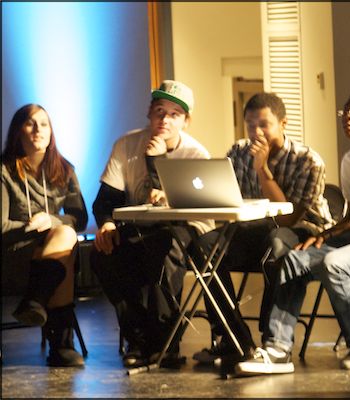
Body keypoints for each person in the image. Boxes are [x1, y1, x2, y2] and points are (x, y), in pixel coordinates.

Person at [236, 89, 350, 375]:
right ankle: (278, 349)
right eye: (345, 111)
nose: (348, 116)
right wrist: (328, 234)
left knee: (334, 264)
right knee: (295, 259)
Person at [192, 92, 333, 364]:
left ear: (283, 123)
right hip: (253, 227)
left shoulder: (307, 160)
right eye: (250, 124)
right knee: (203, 246)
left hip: (302, 231)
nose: (256, 132)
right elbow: (225, 197)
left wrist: (262, 170)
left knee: (276, 243)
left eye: (264, 124)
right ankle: (233, 337)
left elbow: (287, 219)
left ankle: (273, 340)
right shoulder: (237, 151)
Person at [90, 80, 214, 368]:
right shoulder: (126, 144)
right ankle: (138, 337)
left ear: (186, 121)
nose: (164, 120)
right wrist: (107, 225)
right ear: (149, 113)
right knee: (103, 255)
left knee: (164, 246)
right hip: (138, 228)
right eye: (159, 111)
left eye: (174, 114)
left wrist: (156, 161)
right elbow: (105, 201)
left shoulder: (195, 154)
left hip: (182, 227)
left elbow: (195, 211)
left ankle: (164, 343)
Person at [2, 104, 88, 367]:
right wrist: (32, 226)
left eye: (45, 123)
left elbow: (80, 219)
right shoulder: (4, 171)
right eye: (30, 123)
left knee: (63, 235)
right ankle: (62, 345)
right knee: (62, 256)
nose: (38, 130)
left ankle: (36, 301)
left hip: (51, 250)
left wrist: (51, 220)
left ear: (52, 132)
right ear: (18, 131)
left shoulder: (64, 169)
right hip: (14, 253)